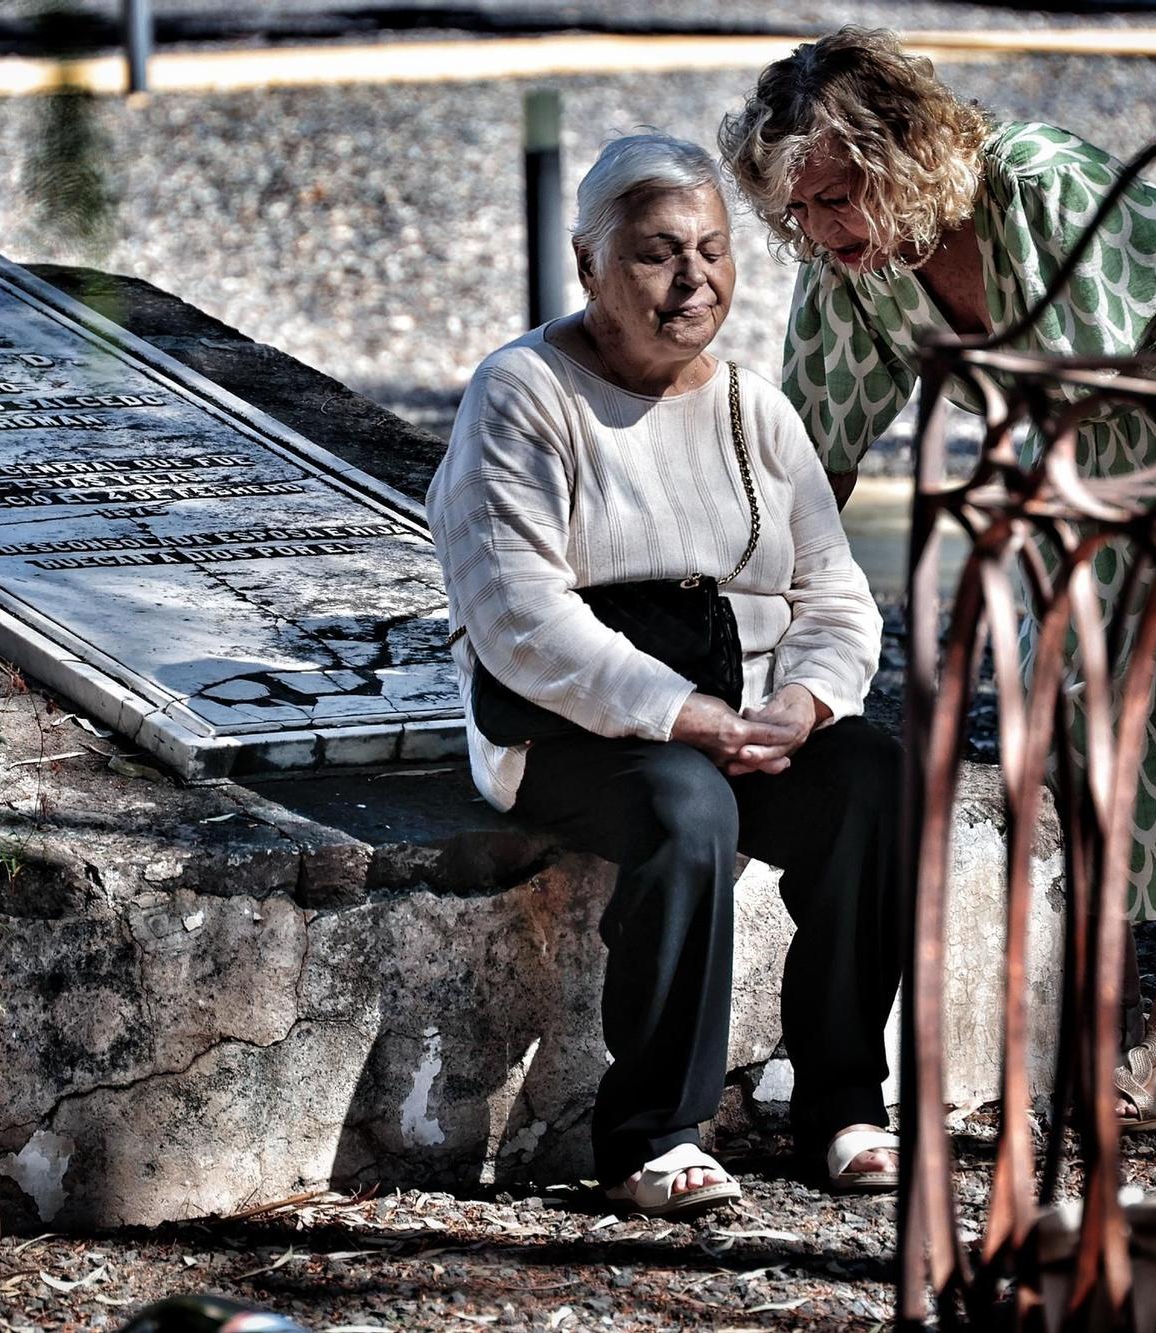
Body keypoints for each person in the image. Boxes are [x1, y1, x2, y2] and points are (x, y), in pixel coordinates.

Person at [719, 27, 1156, 1130]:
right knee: (1068, 710)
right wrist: (755, 629)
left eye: (837, 199)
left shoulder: (1034, 182)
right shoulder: (855, 269)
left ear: (900, 154)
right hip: (1080, 466)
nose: (821, 233)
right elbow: (812, 461)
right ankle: (1088, 1015)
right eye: (800, 212)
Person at [426, 133, 904, 1217]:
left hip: (734, 712)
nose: (693, 281)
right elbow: (518, 615)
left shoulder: (754, 409)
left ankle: (841, 1105)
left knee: (874, 776)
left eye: (713, 250)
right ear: (588, 265)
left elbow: (833, 597)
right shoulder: (521, 394)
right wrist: (677, 714)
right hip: (569, 731)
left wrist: (804, 701)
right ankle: (654, 1130)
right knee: (689, 808)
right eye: (654, 255)